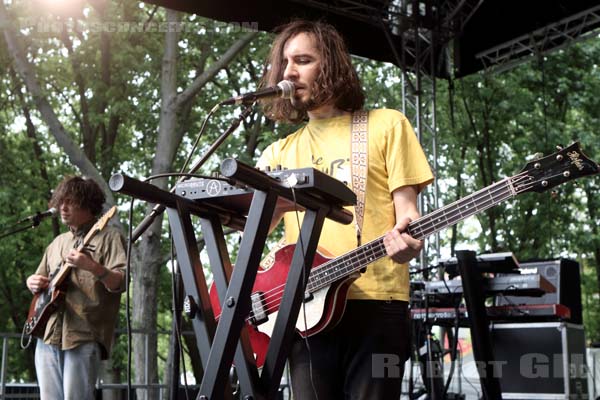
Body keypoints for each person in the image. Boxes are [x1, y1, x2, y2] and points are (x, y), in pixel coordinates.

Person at [256, 20, 434, 399]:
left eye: (302, 60)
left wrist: (409, 241)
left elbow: (409, 214)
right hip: (305, 310)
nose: (288, 71)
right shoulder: (278, 153)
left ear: (332, 66)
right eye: (285, 62)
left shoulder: (386, 125)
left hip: (375, 302)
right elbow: (252, 233)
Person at [26, 176, 126, 400]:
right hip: (47, 334)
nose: (63, 207)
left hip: (82, 335)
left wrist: (91, 266)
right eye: (61, 201)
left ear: (89, 204)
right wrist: (31, 282)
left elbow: (119, 283)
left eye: (71, 202)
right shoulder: (57, 243)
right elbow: (39, 280)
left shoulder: (110, 237)